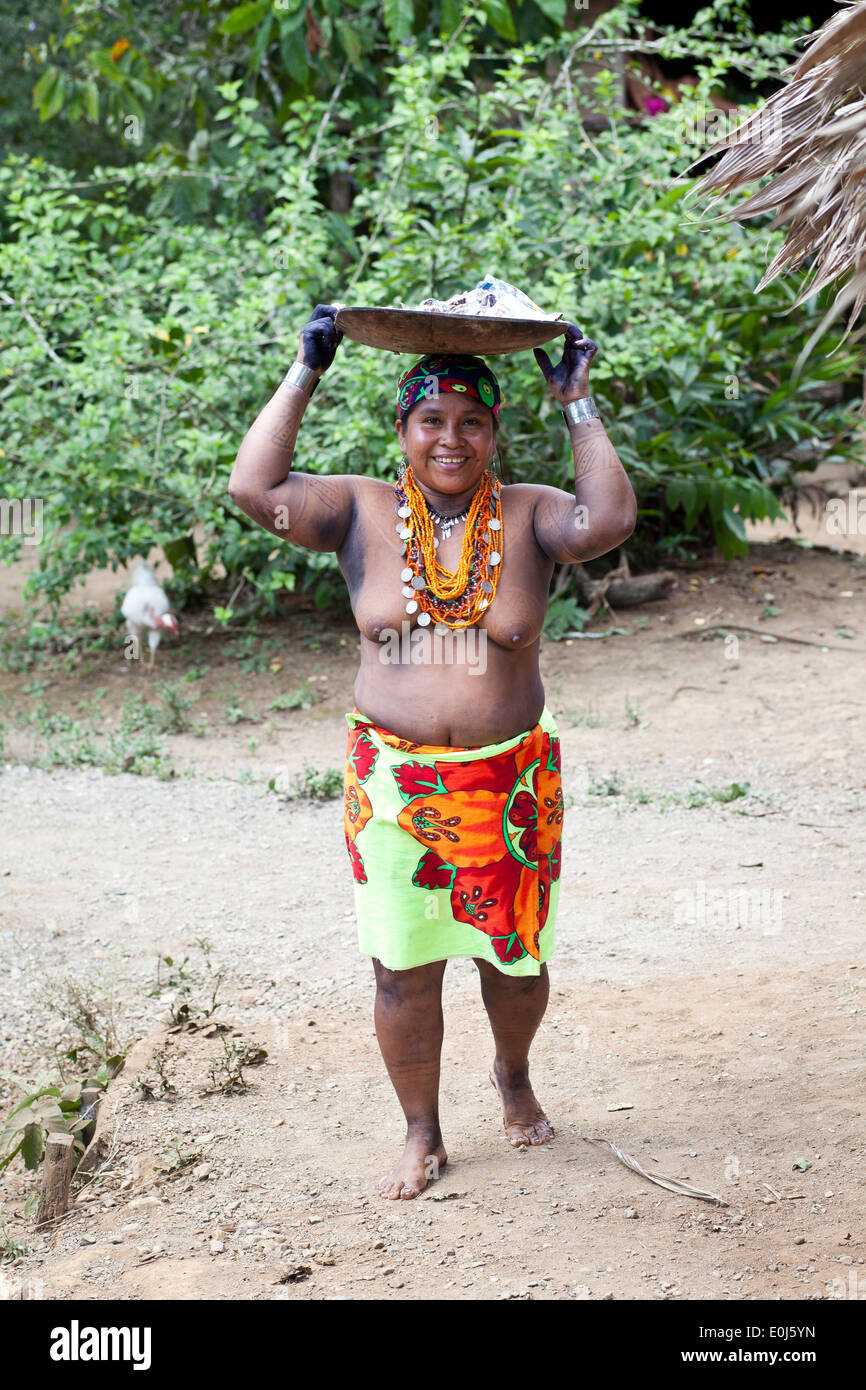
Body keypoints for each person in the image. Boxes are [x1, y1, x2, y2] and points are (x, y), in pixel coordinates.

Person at [229, 303, 636, 1199]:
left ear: (494, 430)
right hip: (392, 782)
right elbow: (255, 491)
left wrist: (578, 403)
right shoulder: (359, 510)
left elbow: (607, 522)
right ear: (403, 429)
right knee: (402, 966)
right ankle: (422, 1131)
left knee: (516, 962)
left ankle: (514, 1075)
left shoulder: (529, 515)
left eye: (472, 421)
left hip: (512, 783)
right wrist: (306, 371)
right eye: (431, 421)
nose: (451, 439)